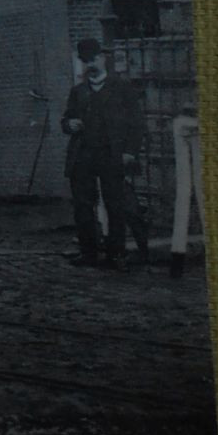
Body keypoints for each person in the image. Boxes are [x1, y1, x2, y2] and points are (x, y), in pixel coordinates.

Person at [61, 38, 148, 270]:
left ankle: (116, 255)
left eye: (93, 59)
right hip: (83, 155)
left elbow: (137, 123)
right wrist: (70, 124)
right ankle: (89, 253)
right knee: (82, 205)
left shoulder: (122, 88)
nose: (90, 64)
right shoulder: (78, 92)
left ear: (102, 58)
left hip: (112, 154)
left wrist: (130, 151)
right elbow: (65, 120)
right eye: (85, 61)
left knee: (115, 204)